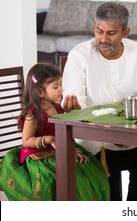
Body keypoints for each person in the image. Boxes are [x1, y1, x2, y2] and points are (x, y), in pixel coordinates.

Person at [61, 2, 137, 201]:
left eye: (111, 33)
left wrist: (127, 131)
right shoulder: (79, 55)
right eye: (99, 31)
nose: (103, 39)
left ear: (126, 32)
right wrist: (73, 109)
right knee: (110, 199)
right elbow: (76, 105)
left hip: (134, 136)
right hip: (96, 140)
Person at [0, 63, 109, 201]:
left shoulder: (57, 108)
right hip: (39, 156)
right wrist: (49, 139)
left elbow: (64, 133)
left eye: (61, 84)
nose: (61, 89)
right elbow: (26, 140)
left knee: (90, 170)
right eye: (56, 87)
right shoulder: (33, 114)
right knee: (63, 178)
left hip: (58, 151)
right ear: (40, 92)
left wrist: (74, 150)